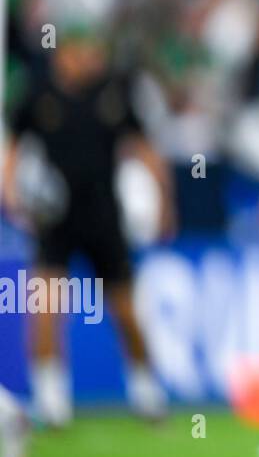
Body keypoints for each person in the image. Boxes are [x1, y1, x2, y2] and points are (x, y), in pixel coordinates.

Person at [3, 27, 173, 427]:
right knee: (46, 307)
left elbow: (143, 145)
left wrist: (164, 199)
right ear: (64, 52)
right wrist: (10, 192)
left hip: (103, 216)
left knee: (126, 311)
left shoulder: (112, 93)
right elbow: (13, 145)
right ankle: (51, 398)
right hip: (54, 217)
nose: (94, 58)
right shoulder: (39, 92)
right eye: (85, 50)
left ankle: (146, 391)